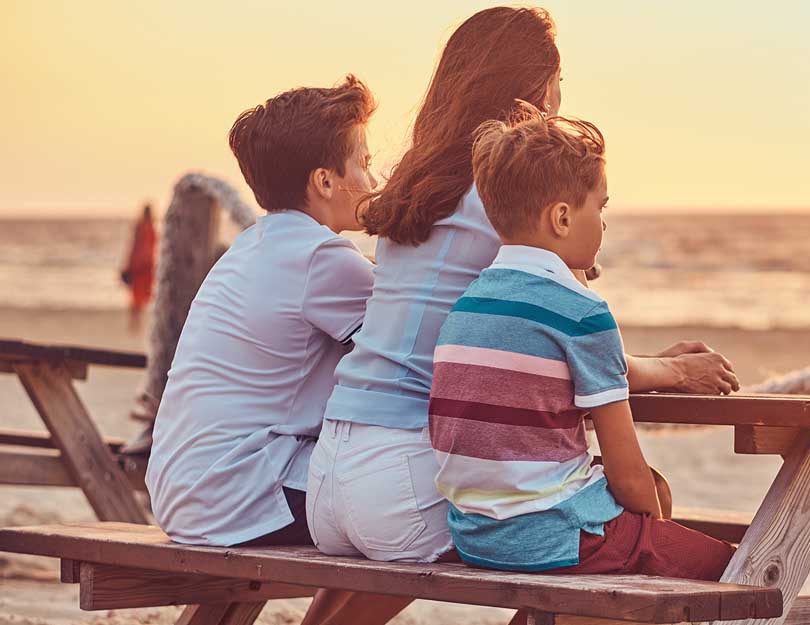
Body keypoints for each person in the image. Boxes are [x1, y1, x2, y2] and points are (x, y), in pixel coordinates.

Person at [307, 5, 739, 583]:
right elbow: (559, 346)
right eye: (559, 86)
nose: (560, 105)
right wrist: (674, 373)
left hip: (335, 461)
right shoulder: (500, 197)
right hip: (409, 469)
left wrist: (650, 363)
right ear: (536, 90)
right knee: (534, 526)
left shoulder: (418, 184)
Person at [430, 103, 735, 583]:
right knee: (741, 571)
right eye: (602, 206)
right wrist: (651, 551)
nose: (606, 223)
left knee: (656, 498)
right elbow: (628, 473)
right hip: (553, 534)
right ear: (562, 218)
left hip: (475, 535)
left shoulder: (469, 304)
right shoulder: (581, 313)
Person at [144, 76, 399, 625]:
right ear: (326, 181)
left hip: (188, 488)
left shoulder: (255, 246)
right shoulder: (321, 258)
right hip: (240, 490)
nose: (375, 178)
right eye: (366, 161)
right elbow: (418, 338)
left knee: (390, 502)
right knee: (414, 516)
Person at [120, 203, 157, 332]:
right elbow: (138, 247)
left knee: (141, 295)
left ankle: (136, 323)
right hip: (142, 265)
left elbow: (136, 247)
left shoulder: (146, 227)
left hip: (143, 265)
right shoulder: (146, 227)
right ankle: (135, 323)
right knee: (139, 295)